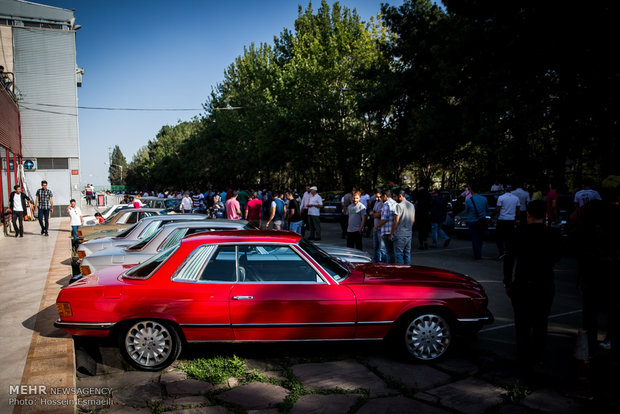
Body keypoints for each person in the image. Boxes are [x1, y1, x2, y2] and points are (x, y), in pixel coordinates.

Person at [504, 200, 561, 370]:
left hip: (522, 282)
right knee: (541, 321)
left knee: (521, 322)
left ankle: (523, 356)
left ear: (528, 214)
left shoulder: (519, 233)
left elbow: (509, 260)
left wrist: (507, 282)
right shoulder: (553, 235)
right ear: (545, 215)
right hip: (544, 283)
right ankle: (537, 355)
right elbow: (556, 257)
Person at [390, 188, 415, 265]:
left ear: (400, 196)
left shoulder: (399, 206)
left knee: (399, 254)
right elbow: (413, 220)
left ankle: (399, 271)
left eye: (395, 196)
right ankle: (407, 270)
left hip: (400, 234)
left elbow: (396, 221)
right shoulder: (411, 205)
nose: (394, 199)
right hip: (409, 233)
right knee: (407, 254)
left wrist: (391, 233)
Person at [495, 185, 520, 260]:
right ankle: (509, 252)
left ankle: (501, 252)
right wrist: (517, 219)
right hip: (511, 220)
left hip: (502, 219)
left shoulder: (501, 197)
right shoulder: (516, 198)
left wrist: (493, 216)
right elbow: (518, 210)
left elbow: (497, 209)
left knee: (499, 237)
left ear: (505, 189)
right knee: (510, 237)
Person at [464, 184, 488, 260]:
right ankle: (479, 251)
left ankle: (477, 254)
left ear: (471, 190)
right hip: (482, 220)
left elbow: (467, 211)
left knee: (474, 238)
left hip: (472, 220)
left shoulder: (468, 200)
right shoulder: (484, 199)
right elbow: (486, 209)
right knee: (480, 237)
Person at [375, 189, 397, 263]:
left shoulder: (386, 204)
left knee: (388, 252)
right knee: (393, 252)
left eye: (382, 196)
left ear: (385, 196)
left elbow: (384, 219)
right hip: (394, 231)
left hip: (386, 231)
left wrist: (377, 226)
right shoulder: (395, 203)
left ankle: (389, 267)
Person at [370, 190, 385, 262]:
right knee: (376, 247)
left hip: (381, 228)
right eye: (376, 197)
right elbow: (372, 212)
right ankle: (376, 261)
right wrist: (374, 214)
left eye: (379, 197)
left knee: (382, 248)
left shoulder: (383, 204)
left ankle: (383, 262)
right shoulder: (376, 202)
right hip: (375, 227)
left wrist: (374, 214)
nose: (377, 198)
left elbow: (379, 215)